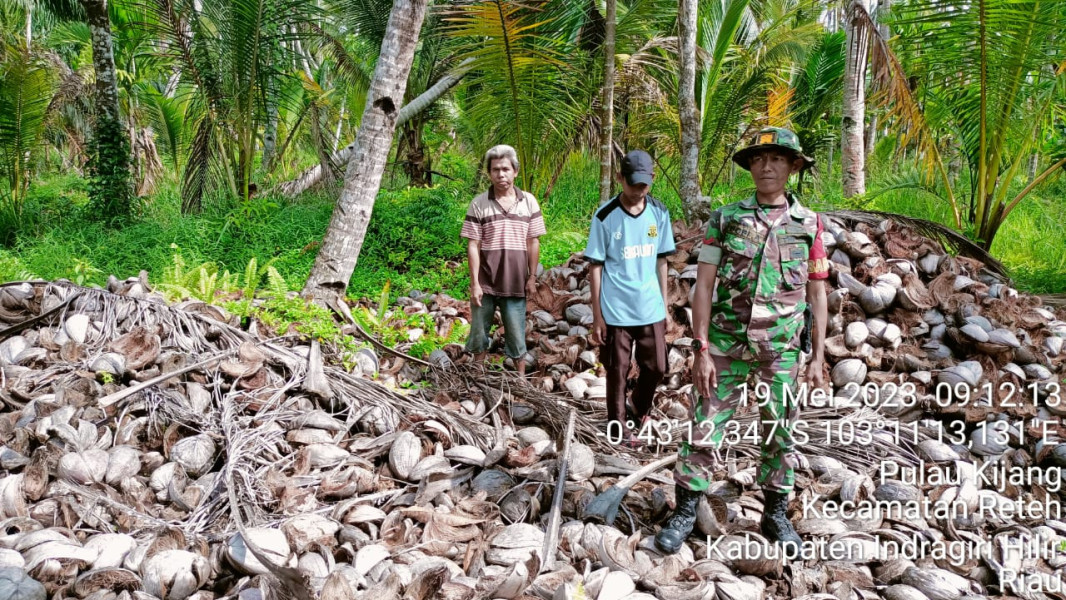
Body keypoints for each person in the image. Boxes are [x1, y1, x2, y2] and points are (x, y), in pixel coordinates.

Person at [654, 127, 829, 555]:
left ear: (792, 167)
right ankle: (686, 510)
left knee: (779, 432)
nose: (766, 166)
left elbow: (817, 291)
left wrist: (818, 355)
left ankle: (775, 513)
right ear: (750, 167)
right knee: (703, 428)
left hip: (782, 350)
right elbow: (704, 286)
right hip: (724, 347)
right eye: (758, 159)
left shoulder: (809, 224)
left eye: (776, 159)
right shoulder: (727, 218)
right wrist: (699, 349)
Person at [584, 150, 676, 446]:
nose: (638, 191)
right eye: (632, 183)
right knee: (617, 370)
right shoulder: (605, 216)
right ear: (620, 178)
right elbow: (595, 266)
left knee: (657, 367)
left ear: (652, 180)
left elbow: (662, 261)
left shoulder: (659, 213)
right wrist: (598, 315)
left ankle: (637, 406)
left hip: (649, 306)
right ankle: (617, 426)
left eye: (644, 185)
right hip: (616, 309)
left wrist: (665, 306)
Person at [461, 145, 546, 376]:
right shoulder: (479, 203)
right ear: (489, 173)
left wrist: (532, 277)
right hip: (486, 281)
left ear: (515, 171)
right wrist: (475, 283)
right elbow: (473, 245)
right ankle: (477, 374)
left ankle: (520, 379)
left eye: (506, 169)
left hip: (515, 281)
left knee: (517, 331)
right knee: (479, 330)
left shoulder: (528, 201)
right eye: (496, 169)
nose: (501, 174)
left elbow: (533, 242)